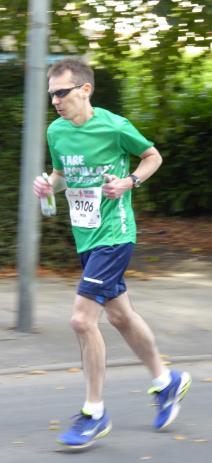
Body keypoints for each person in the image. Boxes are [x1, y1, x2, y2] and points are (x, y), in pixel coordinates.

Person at [33, 58, 191, 450]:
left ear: (85, 90)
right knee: (120, 315)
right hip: (86, 238)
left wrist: (129, 181)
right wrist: (46, 186)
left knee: (81, 321)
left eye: (61, 93)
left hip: (115, 233)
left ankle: (94, 412)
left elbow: (152, 156)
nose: (54, 101)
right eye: (51, 94)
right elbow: (61, 176)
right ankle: (165, 381)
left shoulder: (115, 126)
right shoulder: (57, 131)